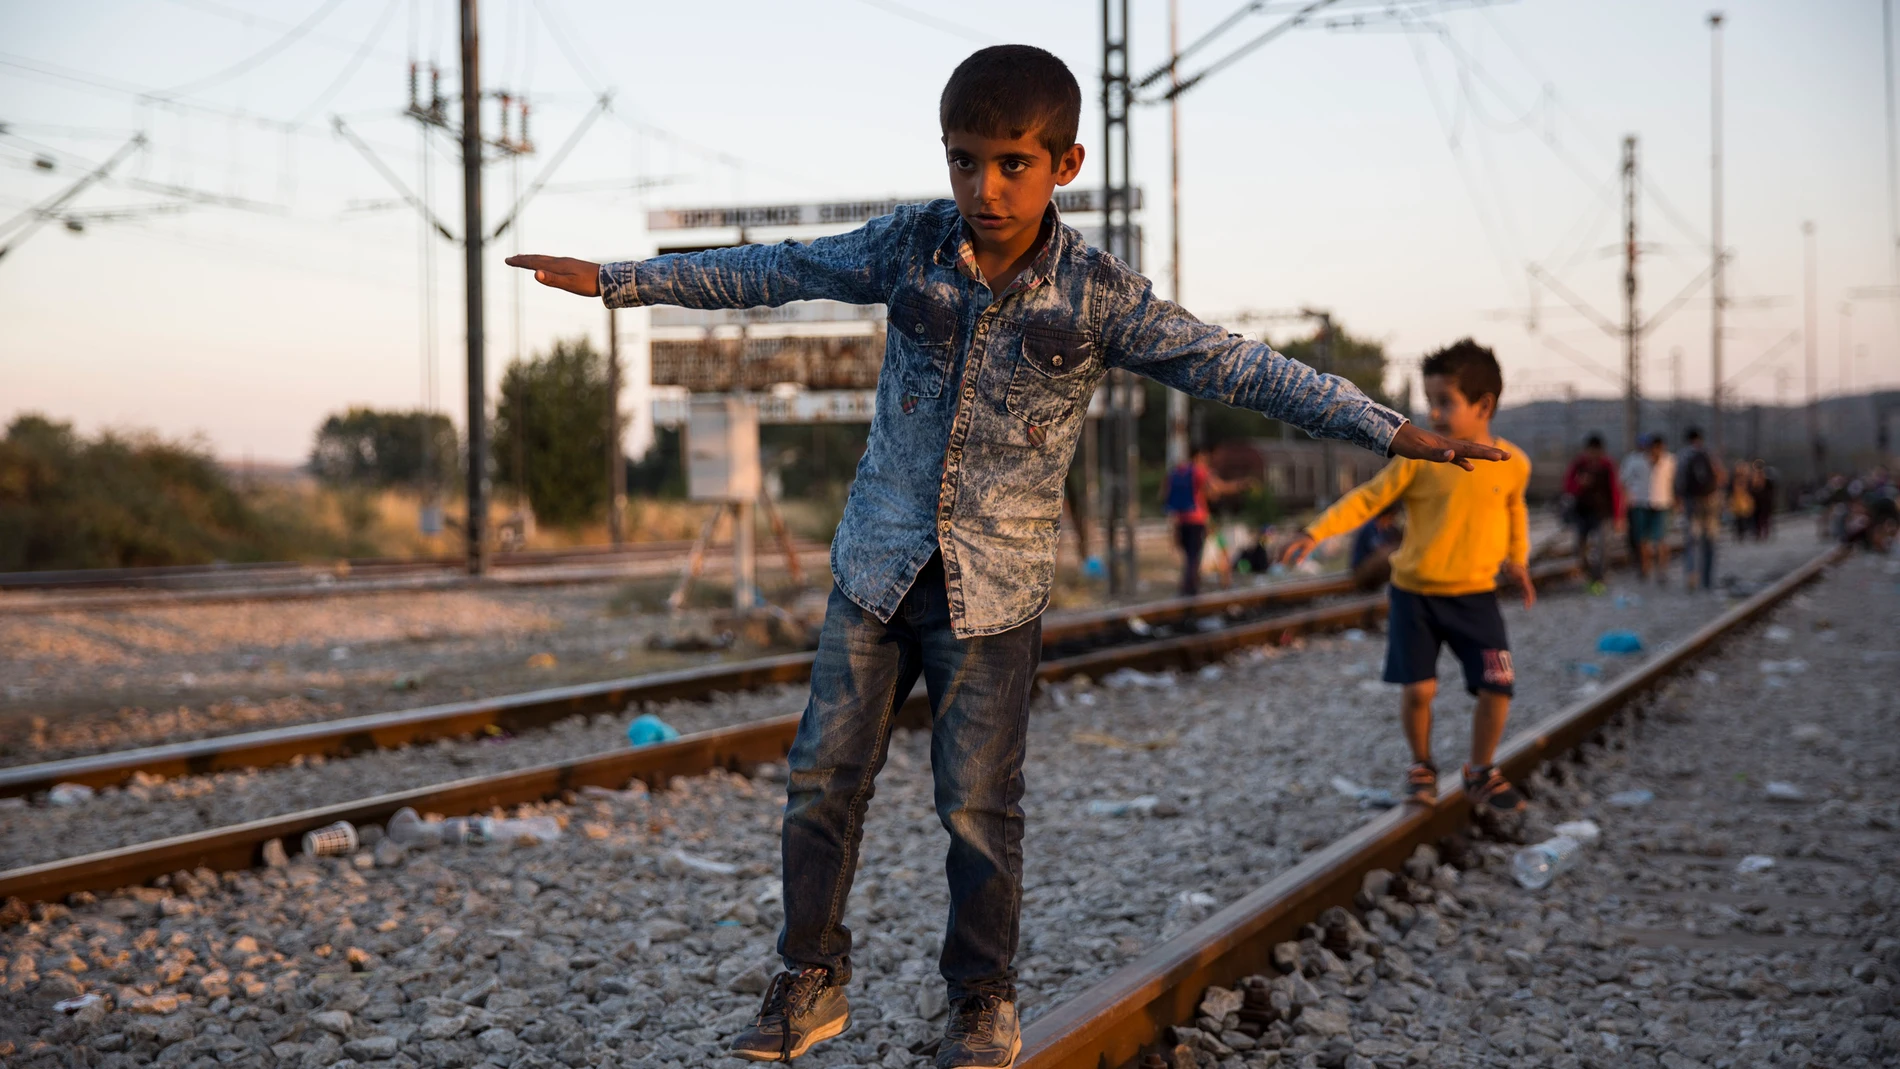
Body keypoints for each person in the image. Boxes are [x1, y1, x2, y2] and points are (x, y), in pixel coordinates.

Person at [508, 44, 1506, 1068]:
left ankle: (982, 997)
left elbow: (1235, 364)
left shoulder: (1099, 294)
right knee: (819, 779)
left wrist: (1384, 427)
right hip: (875, 569)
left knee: (978, 806)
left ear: (1063, 164)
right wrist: (624, 280)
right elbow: (785, 266)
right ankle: (808, 975)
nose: (983, 188)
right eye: (962, 161)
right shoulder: (909, 246)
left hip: (994, 594)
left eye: (1011, 164)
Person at [1281, 340, 1534, 818]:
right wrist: (1315, 531)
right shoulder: (1419, 461)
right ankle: (1421, 765)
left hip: (1476, 597)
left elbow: (1514, 510)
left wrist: (1517, 560)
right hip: (1415, 596)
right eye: (1430, 401)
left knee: (1498, 686)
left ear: (1484, 406)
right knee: (1419, 689)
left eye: (1445, 403)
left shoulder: (1513, 464)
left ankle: (1480, 771)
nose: (1433, 414)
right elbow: (1368, 499)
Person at [1164, 443, 1244, 596]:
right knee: (1196, 556)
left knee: (1189, 556)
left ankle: (1187, 587)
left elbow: (1165, 494)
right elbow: (1216, 488)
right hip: (1198, 519)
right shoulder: (1199, 471)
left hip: (1181, 519)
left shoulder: (1178, 471)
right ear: (1199, 455)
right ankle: (1190, 590)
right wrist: (1239, 485)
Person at [1561, 433, 1622, 586]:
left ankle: (1599, 576)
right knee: (1579, 548)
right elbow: (1567, 487)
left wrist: (1618, 517)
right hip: (1582, 513)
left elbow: (1615, 492)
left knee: (1603, 547)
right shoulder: (1578, 465)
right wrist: (1579, 484)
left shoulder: (1607, 465)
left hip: (1602, 513)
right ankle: (1588, 572)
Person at [1619, 433, 1675, 581]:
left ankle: (1662, 570)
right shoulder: (1634, 460)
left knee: (1661, 539)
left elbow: (1674, 483)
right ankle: (1645, 568)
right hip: (1640, 503)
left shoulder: (1669, 461)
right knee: (1642, 539)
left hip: (1662, 503)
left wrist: (1676, 501)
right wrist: (1626, 502)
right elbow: (1623, 481)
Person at [1675, 427, 1724, 591]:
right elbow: (1720, 475)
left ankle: (1691, 575)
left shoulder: (1683, 455)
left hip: (1691, 502)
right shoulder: (1708, 453)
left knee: (1691, 541)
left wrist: (1679, 500)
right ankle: (1707, 579)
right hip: (1710, 501)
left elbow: (1679, 481)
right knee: (1709, 540)